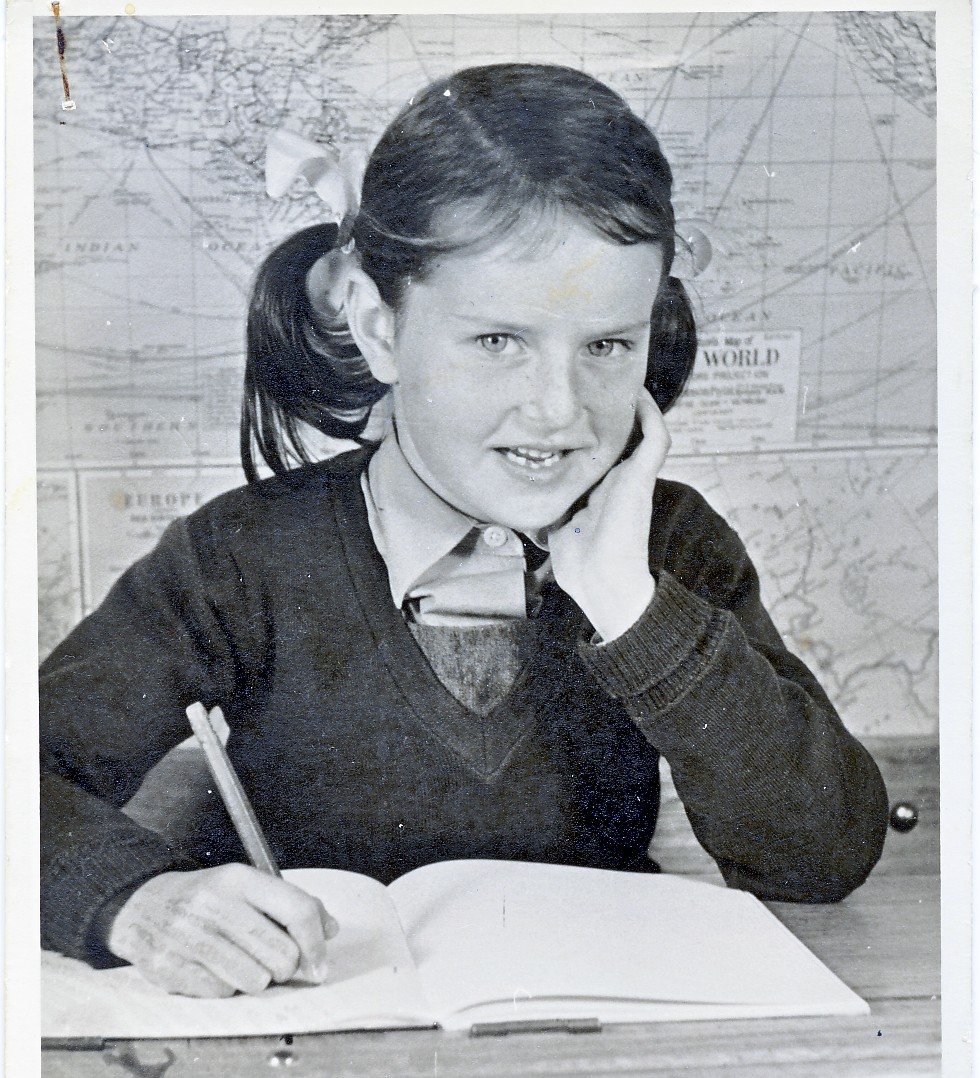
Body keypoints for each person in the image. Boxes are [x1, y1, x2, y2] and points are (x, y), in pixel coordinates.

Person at [40, 63, 889, 999]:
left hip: (590, 1046)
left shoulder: (669, 546)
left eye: (607, 346)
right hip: (317, 1055)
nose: (560, 412)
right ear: (378, 329)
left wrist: (631, 607)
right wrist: (136, 902)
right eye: (497, 342)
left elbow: (822, 858)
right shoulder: (236, 562)